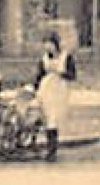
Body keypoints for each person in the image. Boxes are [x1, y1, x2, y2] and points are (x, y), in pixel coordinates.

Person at [33, 31, 77, 161]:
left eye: (50, 44)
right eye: (46, 44)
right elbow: (39, 76)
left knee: (53, 119)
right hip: (45, 89)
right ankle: (48, 148)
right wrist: (34, 88)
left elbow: (72, 75)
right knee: (46, 117)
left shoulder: (65, 57)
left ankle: (52, 149)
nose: (48, 47)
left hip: (59, 90)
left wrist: (62, 73)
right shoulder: (44, 59)